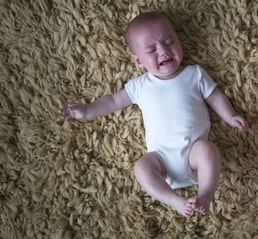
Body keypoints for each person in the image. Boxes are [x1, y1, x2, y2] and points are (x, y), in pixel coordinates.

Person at [61, 11, 248, 218]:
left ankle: (205, 195)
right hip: (161, 161)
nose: (163, 51)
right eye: (151, 50)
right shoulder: (140, 86)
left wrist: (230, 116)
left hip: (194, 154)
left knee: (209, 150)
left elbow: (215, 96)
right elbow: (113, 101)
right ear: (139, 61)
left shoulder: (194, 74)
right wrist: (86, 111)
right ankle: (174, 200)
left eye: (169, 42)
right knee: (141, 167)